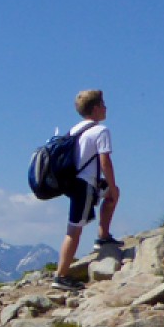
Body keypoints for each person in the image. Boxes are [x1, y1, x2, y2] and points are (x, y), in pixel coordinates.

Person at [52, 90, 119, 291]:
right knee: (74, 231)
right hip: (85, 184)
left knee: (111, 194)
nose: (106, 107)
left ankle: (103, 236)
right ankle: (61, 276)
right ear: (96, 108)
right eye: (103, 104)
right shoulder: (101, 131)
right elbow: (105, 161)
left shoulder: (75, 129)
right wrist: (112, 184)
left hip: (75, 182)